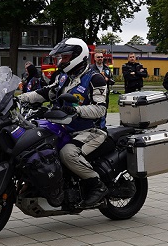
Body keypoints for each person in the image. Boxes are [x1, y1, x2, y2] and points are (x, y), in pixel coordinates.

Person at [19, 38, 110, 207]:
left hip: (91, 130)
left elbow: (101, 109)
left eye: (65, 57)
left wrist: (76, 110)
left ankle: (97, 185)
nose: (61, 61)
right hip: (65, 128)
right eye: (61, 58)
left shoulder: (95, 79)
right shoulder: (63, 78)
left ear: (78, 56)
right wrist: (19, 98)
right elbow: (46, 93)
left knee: (68, 153)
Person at [90, 51, 115, 127]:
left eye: (101, 57)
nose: (100, 58)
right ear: (94, 58)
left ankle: (103, 127)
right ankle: (94, 126)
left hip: (105, 94)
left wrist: (107, 79)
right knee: (94, 111)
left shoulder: (107, 69)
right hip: (93, 94)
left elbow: (112, 81)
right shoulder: (91, 69)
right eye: (98, 57)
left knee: (104, 110)